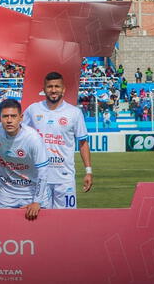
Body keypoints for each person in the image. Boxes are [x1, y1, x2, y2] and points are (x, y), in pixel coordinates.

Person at [23, 72, 93, 209]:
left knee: (67, 221)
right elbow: (20, 135)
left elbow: (83, 143)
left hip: (65, 178)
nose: (53, 90)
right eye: (49, 86)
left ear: (64, 89)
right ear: (44, 90)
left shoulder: (74, 113)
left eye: (57, 86)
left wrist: (88, 171)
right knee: (40, 222)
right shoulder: (33, 110)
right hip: (39, 178)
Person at [0, 99, 49, 220]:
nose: (9, 120)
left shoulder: (33, 138)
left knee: (38, 237)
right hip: (6, 196)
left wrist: (37, 202)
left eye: (13, 116)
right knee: (6, 236)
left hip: (32, 194)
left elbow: (43, 171)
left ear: (21, 117)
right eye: (5, 116)